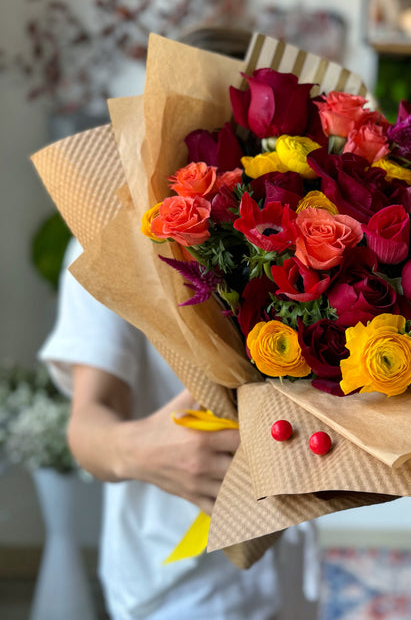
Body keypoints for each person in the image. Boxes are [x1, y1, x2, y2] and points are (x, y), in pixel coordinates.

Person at [39, 239, 319, 620]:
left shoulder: (289, 224)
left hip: (286, 552)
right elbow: (86, 426)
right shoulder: (103, 239)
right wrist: (141, 450)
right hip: (176, 576)